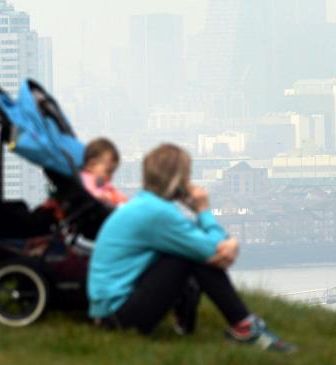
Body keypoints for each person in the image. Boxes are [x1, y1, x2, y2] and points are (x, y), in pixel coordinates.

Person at [87, 143, 294, 351]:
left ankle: (238, 325)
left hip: (108, 313)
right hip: (117, 317)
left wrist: (225, 243)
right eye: (186, 176)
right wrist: (204, 210)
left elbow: (200, 241)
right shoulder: (159, 213)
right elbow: (211, 249)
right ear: (178, 180)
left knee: (188, 251)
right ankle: (244, 327)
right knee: (189, 257)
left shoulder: (147, 204)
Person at [80, 137, 128, 207]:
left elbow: (113, 192)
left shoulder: (101, 182)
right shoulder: (85, 178)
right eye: (108, 171)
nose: (111, 177)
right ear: (92, 165)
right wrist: (105, 196)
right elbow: (90, 193)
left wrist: (121, 198)